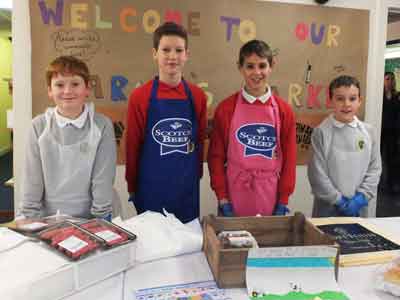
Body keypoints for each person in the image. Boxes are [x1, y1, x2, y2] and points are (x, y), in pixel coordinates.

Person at [125, 22, 207, 223]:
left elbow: (199, 141)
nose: (172, 56)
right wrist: (132, 187)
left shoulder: (197, 96)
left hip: (186, 189)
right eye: (166, 50)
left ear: (187, 54)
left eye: (179, 50)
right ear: (155, 53)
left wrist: (196, 178)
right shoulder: (139, 97)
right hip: (151, 188)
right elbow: (132, 145)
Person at [20, 56, 116, 220]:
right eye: (59, 85)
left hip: (94, 217)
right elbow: (32, 181)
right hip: (49, 219)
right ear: (49, 90)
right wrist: (30, 220)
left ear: (87, 88)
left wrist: (100, 222)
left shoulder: (102, 125)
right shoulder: (38, 126)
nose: (67, 91)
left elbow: (103, 180)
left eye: (75, 84)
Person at [207, 39, 296, 217]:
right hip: (233, 195)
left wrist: (283, 200)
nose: (257, 72)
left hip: (271, 196)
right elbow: (215, 157)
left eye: (262, 65)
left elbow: (290, 160)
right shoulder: (226, 109)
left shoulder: (284, 110)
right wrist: (223, 198)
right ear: (240, 68)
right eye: (250, 66)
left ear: (272, 66)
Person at [308, 75, 382, 217]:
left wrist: (361, 198)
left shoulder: (368, 132)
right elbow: (317, 175)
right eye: (340, 99)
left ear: (360, 101)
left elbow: (375, 169)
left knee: (357, 239)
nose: (347, 104)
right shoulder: (321, 132)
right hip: (327, 208)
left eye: (352, 98)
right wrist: (339, 201)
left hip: (358, 210)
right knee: (325, 239)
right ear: (330, 101)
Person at [381, 71, 400, 193]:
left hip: (393, 132)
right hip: (380, 131)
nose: (390, 81)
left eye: (391, 79)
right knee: (377, 157)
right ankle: (377, 183)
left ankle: (390, 184)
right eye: (387, 79)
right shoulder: (379, 96)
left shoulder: (397, 96)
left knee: (391, 158)